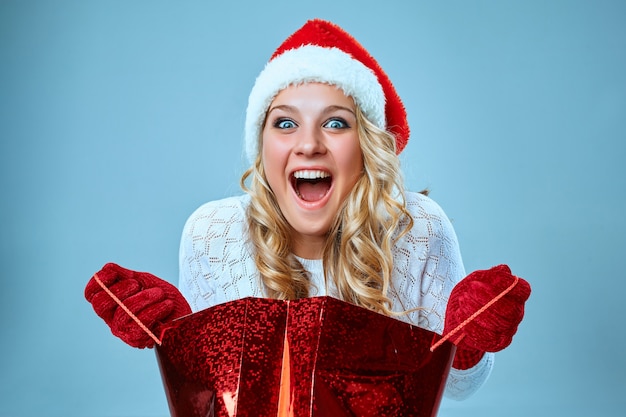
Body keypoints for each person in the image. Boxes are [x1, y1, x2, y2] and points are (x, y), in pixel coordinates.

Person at [85, 19, 530, 403]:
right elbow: (216, 399)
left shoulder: (418, 227)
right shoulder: (214, 232)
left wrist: (466, 347)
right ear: (263, 147)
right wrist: (186, 340)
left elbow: (458, 388)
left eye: (336, 122)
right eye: (285, 122)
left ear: (366, 146)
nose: (309, 143)